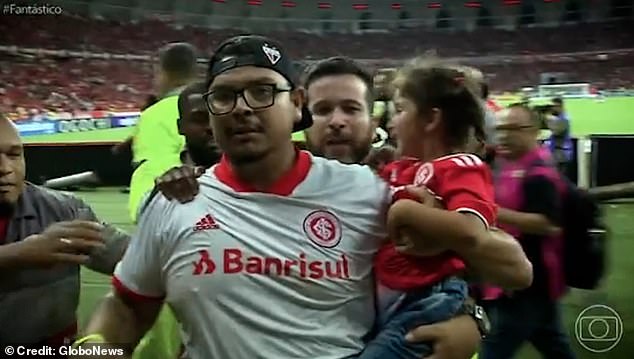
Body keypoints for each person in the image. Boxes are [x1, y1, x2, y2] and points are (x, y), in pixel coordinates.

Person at [77, 36, 530, 359]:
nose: (242, 108)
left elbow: (511, 267)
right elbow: (127, 303)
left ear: (296, 104)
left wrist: (472, 320)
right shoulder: (176, 200)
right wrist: (95, 346)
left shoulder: (369, 193)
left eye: (261, 92)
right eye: (225, 97)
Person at [356, 58, 498, 359]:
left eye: (400, 110)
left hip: (428, 298)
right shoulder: (400, 168)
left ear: (431, 119)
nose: (391, 122)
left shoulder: (462, 167)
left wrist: (405, 213)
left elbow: (472, 232)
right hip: (393, 298)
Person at [0, 115, 129, 346]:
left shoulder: (63, 210)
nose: (5, 169)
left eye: (14, 154)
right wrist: (19, 253)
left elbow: (137, 260)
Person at [480, 104, 575, 359]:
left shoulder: (540, 173)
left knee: (494, 348)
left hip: (530, 281)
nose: (503, 135)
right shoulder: (506, 163)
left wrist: (492, 211)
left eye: (513, 129)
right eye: (499, 129)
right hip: (515, 277)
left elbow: (549, 224)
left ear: (533, 132)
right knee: (553, 343)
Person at [128, 42, 198, 222]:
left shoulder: (155, 114)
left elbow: (155, 167)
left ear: (164, 73)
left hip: (165, 210)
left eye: (156, 75)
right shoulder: (213, 106)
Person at [544, 97, 573, 178]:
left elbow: (557, 131)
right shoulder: (559, 117)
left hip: (561, 154)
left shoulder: (564, 118)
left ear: (559, 106)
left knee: (559, 179)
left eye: (554, 106)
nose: (552, 108)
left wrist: (549, 119)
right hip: (558, 152)